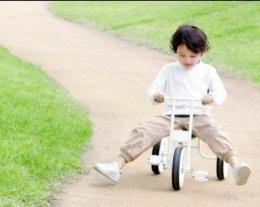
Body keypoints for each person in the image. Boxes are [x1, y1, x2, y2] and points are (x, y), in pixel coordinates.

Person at [94, 24, 251, 186]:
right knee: (144, 130)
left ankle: (235, 166)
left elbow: (220, 92)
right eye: (182, 55)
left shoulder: (208, 71)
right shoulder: (169, 70)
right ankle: (117, 165)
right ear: (175, 50)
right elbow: (153, 89)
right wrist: (157, 96)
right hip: (171, 115)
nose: (187, 60)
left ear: (202, 52)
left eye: (192, 55)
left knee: (216, 133)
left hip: (198, 116)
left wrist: (211, 97)